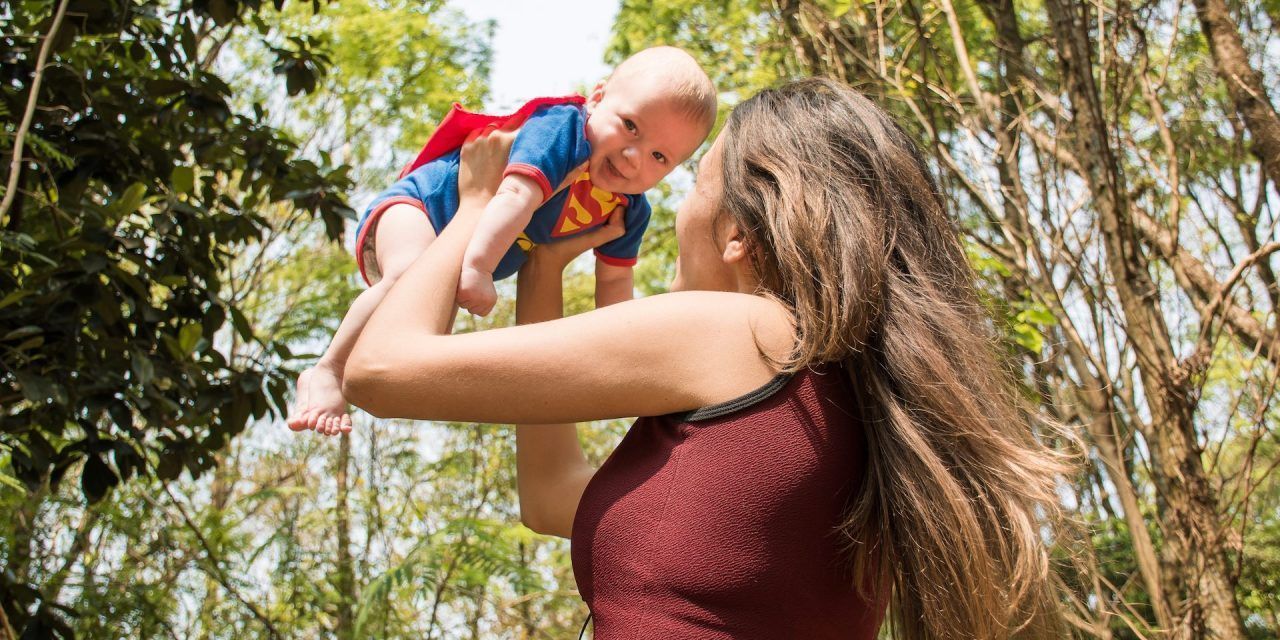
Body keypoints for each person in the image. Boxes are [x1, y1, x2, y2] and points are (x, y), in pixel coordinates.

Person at [341, 78, 1071, 639]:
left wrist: (474, 207)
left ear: (737, 235)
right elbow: (553, 496)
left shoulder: (739, 332)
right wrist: (545, 265)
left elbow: (380, 370)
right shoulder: (845, 399)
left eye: (692, 182)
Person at [287, 46, 716, 434]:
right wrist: (478, 267)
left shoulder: (628, 211)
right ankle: (328, 369)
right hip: (422, 207)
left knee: (425, 330)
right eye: (630, 127)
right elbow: (514, 195)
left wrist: (627, 360)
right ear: (597, 98)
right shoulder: (562, 131)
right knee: (406, 276)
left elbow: (615, 289)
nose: (633, 157)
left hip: (459, 249)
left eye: (659, 156)